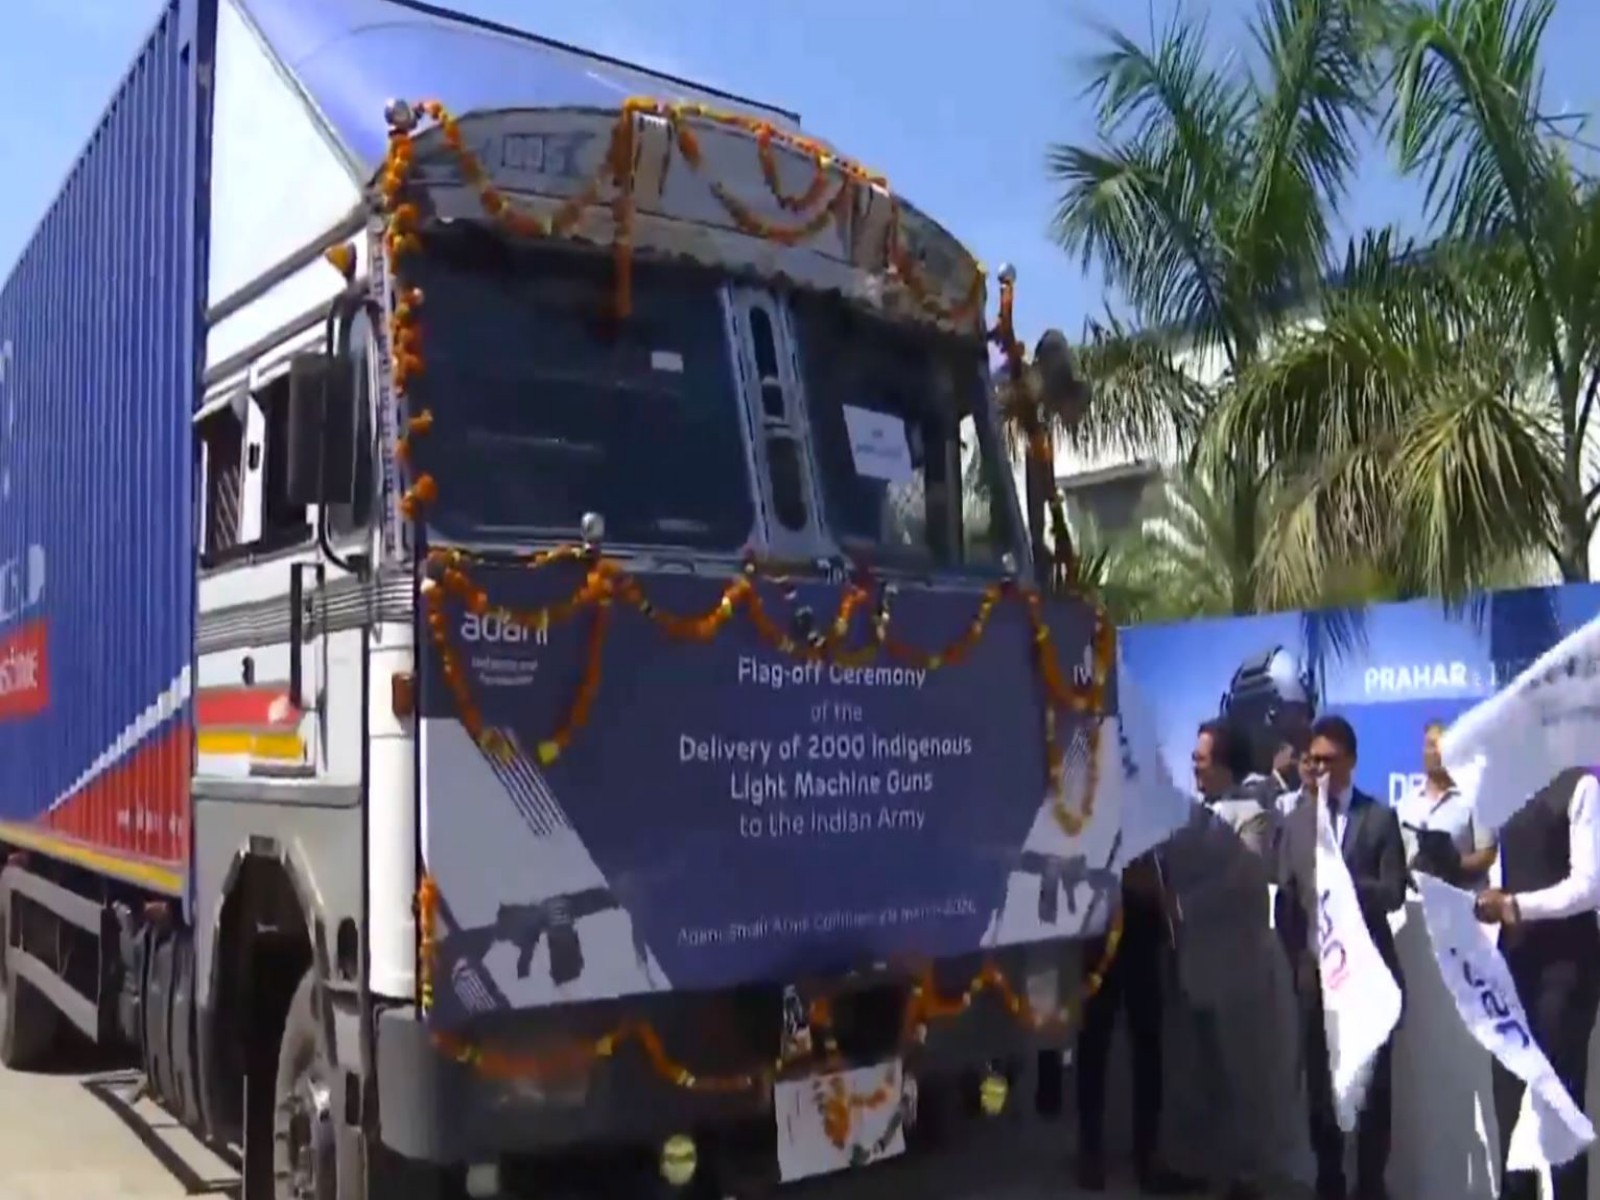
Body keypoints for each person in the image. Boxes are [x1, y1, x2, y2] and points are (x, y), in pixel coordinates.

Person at [1276, 715, 1406, 1200]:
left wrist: (1344, 890)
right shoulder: (1297, 823)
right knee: (1322, 1095)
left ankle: (1371, 1186)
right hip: (1317, 983)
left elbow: (1394, 892)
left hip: (1369, 982)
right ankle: (1329, 1182)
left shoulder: (1379, 819)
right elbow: (1285, 900)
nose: (1319, 769)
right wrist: (1298, 965)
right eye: (1313, 760)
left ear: (1351, 760)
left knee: (1373, 1094)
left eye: (1329, 760)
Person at [1162, 718, 1292, 1200]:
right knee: (1198, 1076)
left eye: (1201, 758)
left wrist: (1182, 905)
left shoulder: (1252, 814)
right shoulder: (1192, 814)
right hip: (1195, 965)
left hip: (1238, 969)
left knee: (1243, 1077)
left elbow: (1248, 875)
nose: (1194, 765)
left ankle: (1247, 1177)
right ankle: (1196, 1168)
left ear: (1223, 763)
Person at [1473, 766, 1600, 1200]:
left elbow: (1588, 886)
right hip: (1513, 967)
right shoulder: (1505, 788)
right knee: (1509, 1110)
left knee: (1560, 1110)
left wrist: (1516, 905)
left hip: (1566, 969)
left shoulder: (1581, 787)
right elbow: (1498, 873)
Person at [1070, 851, 1202, 1194]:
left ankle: (1147, 1154)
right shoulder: (1087, 798)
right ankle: (1091, 1150)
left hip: (1141, 922)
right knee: (1094, 1040)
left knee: (1146, 1042)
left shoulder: (1147, 800)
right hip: (1097, 921)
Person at [1397, 719, 1497, 891]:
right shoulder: (1405, 804)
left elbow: (1487, 854)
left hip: (1460, 902)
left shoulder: (1474, 799)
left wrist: (1452, 863)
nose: (1435, 753)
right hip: (1415, 903)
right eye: (1430, 745)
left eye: (1441, 746)